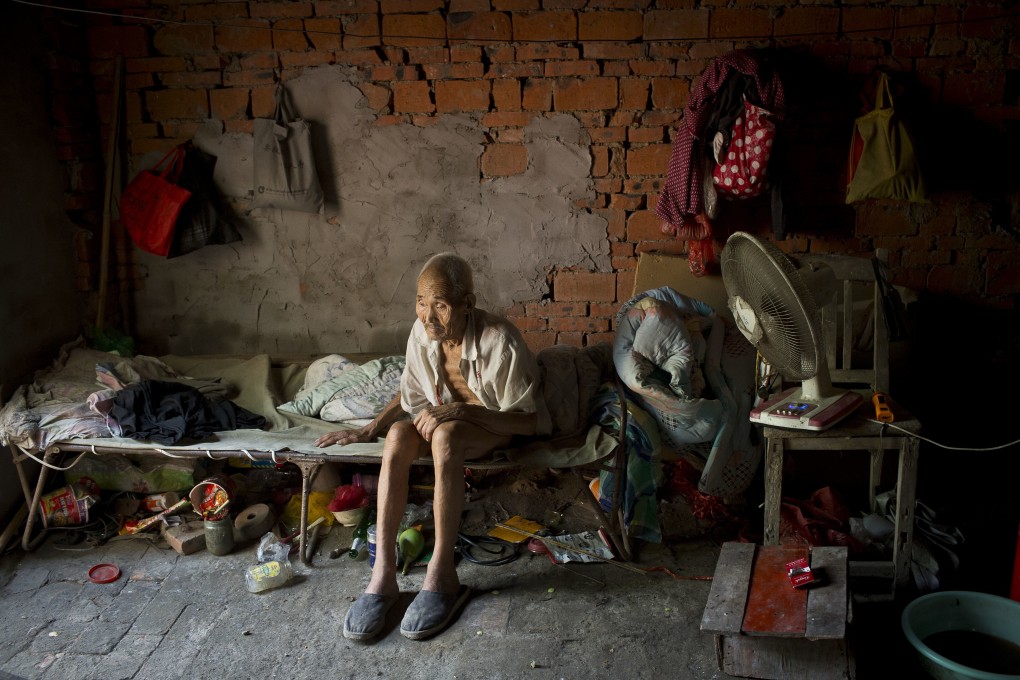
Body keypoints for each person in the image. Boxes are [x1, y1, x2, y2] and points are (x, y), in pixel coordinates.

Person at [315, 252, 546, 641]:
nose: (427, 315)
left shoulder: (500, 341)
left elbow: (527, 420)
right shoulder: (422, 333)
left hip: (492, 427)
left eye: (440, 304)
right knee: (399, 435)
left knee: (446, 433)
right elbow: (409, 396)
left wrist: (459, 411)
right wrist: (369, 429)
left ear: (467, 304)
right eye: (421, 302)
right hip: (448, 427)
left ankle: (442, 575)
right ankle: (383, 576)